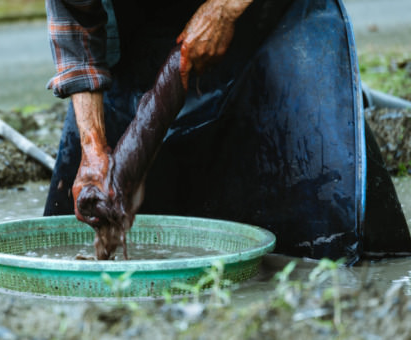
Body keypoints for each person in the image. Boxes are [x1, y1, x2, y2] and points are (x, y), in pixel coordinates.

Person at [43, 0, 411, 264]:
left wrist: (224, 8)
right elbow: (77, 35)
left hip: (271, 29)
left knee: (343, 237)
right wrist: (93, 148)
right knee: (82, 209)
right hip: (143, 52)